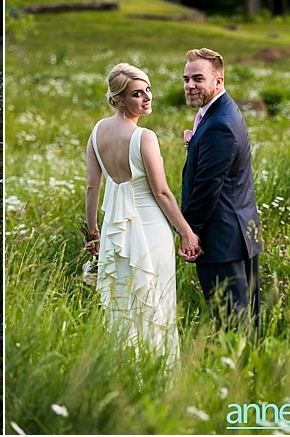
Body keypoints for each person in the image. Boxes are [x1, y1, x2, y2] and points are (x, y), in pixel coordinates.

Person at [84, 63, 197, 359]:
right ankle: (157, 368)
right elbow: (162, 193)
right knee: (155, 304)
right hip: (151, 231)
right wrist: (186, 233)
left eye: (148, 90)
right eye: (137, 93)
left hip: (114, 233)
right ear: (119, 100)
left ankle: (127, 368)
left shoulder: (97, 132)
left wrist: (93, 232)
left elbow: (92, 187)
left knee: (123, 303)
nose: (147, 97)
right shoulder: (144, 137)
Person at [179, 48, 263, 332]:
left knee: (232, 325)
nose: (190, 85)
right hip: (236, 233)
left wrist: (189, 232)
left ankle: (241, 363)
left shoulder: (219, 125)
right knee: (244, 321)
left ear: (218, 81)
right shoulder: (220, 111)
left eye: (198, 79)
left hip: (222, 240)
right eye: (186, 79)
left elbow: (207, 188)